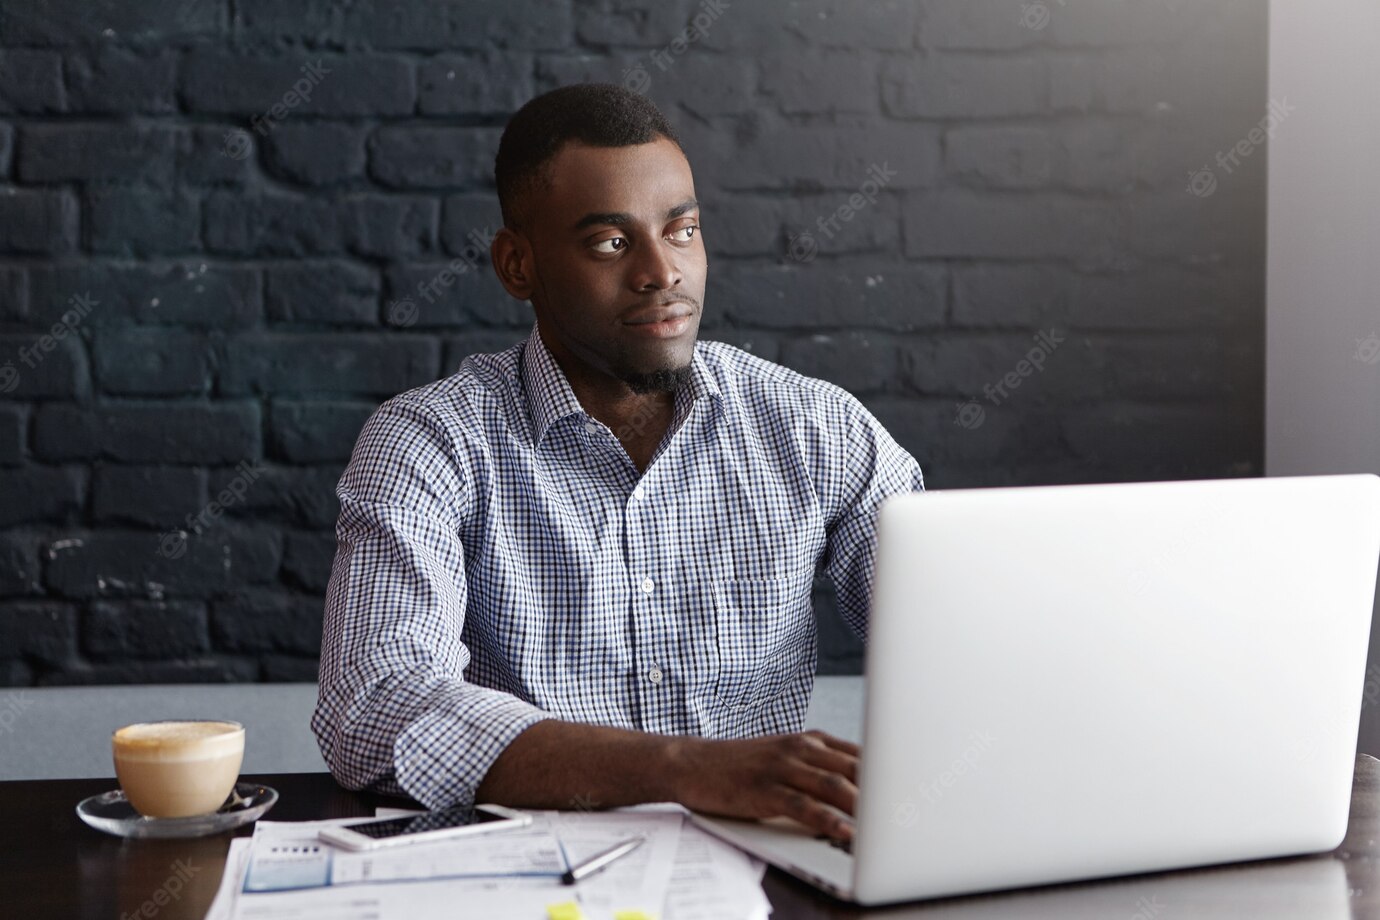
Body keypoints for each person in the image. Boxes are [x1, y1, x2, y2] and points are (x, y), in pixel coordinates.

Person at [312, 83, 925, 843]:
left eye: (682, 230)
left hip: (764, 866)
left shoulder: (817, 429)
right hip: (530, 878)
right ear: (517, 265)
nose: (662, 272)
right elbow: (376, 707)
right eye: (611, 242)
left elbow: (959, 651)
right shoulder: (429, 441)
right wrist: (686, 770)